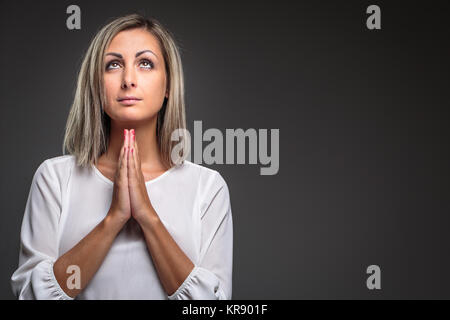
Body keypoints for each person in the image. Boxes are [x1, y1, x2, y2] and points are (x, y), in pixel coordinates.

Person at [10, 14, 233, 300]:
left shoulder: (207, 188)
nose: (128, 80)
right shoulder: (54, 178)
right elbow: (30, 296)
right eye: (113, 65)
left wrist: (147, 217)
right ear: (96, 86)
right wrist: (113, 219)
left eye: (145, 63)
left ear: (168, 87)